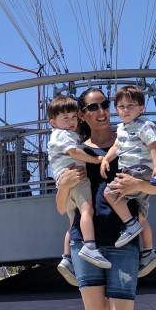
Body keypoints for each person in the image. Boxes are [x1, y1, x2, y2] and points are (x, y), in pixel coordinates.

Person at [56, 86, 156, 310]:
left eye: (105, 104)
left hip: (123, 241)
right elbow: (61, 207)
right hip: (85, 243)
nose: (101, 111)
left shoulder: (131, 139)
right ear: (81, 114)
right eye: (92, 107)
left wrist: (138, 185)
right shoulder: (75, 150)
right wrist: (64, 186)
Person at [100, 85, 156, 258]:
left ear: (141, 108)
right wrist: (106, 159)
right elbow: (116, 147)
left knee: (109, 193)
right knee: (141, 215)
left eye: (131, 106)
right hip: (133, 171)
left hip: (138, 170)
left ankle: (130, 224)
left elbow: (153, 145)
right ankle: (148, 251)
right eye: (121, 106)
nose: (126, 110)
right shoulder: (121, 128)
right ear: (116, 110)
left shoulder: (143, 126)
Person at [48, 95, 112, 270]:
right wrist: (96, 159)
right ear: (53, 122)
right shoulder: (64, 135)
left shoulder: (58, 135)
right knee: (86, 210)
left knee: (73, 221)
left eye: (73, 117)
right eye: (66, 118)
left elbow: (61, 209)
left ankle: (66, 258)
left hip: (64, 179)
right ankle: (90, 246)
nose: (71, 122)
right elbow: (74, 152)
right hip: (76, 175)